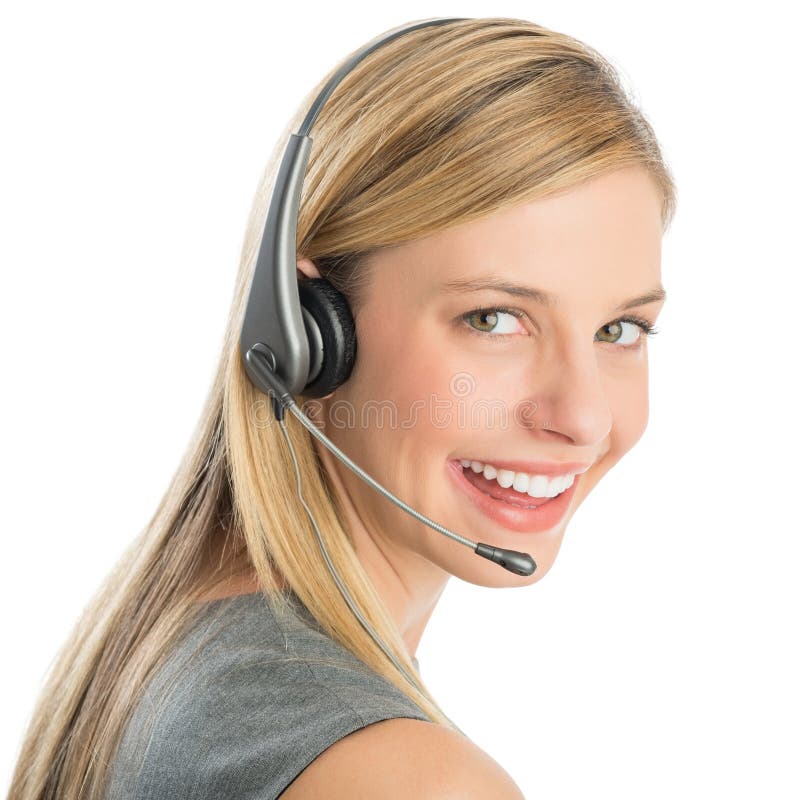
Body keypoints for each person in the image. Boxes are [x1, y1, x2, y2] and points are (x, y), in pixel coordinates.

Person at [7, 16, 676, 800]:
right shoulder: (402, 778)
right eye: (493, 319)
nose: (584, 416)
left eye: (619, 329)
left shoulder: (168, 653)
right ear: (304, 330)